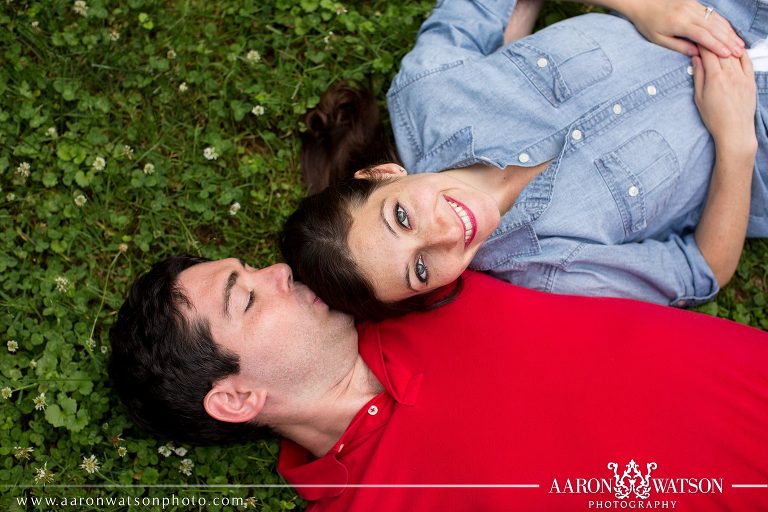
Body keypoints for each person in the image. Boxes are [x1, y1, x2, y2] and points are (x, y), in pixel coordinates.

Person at [108, 256, 768, 511]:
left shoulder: (401, 280)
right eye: (246, 299)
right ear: (236, 398)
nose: (279, 270)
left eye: (252, 267)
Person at [280, 0, 768, 321]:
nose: (446, 234)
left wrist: (640, 7)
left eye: (402, 218)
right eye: (421, 270)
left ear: (383, 175)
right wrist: (736, 140)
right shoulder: (549, 273)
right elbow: (701, 269)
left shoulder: (429, 94)